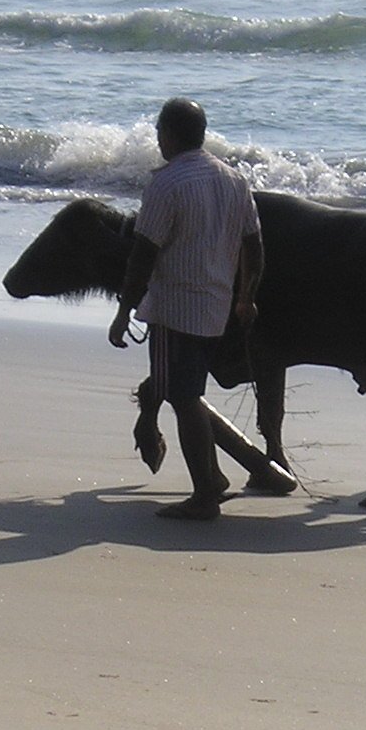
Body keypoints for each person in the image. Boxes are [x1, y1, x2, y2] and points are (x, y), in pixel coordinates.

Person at [108, 98, 271, 519]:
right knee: (188, 392)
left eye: (159, 132)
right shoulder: (234, 179)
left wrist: (124, 310)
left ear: (168, 134)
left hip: (174, 309)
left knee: (184, 397)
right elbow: (254, 245)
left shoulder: (167, 183)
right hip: (216, 307)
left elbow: (144, 253)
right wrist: (246, 296)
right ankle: (211, 479)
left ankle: (205, 494)